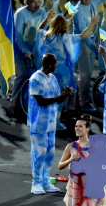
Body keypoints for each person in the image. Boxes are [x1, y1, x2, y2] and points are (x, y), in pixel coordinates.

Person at [36, 13, 100, 130]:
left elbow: (39, 30)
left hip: (49, 72)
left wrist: (46, 19)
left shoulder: (47, 36)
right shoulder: (65, 38)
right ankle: (55, 122)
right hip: (62, 73)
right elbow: (82, 36)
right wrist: (92, 23)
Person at [28, 53, 74, 195]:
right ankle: (36, 183)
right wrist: (59, 96)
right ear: (48, 64)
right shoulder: (35, 79)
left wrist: (64, 95)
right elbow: (41, 101)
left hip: (50, 124)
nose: (56, 66)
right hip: (38, 124)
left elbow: (56, 100)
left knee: (49, 153)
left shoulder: (52, 78)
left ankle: (45, 181)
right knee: (39, 153)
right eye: (54, 63)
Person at [11, 0, 47, 114]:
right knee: (21, 76)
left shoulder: (42, 12)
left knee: (32, 78)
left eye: (38, 2)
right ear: (27, 2)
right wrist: (25, 51)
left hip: (35, 52)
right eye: (33, 2)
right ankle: (13, 104)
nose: (37, 5)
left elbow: (45, 31)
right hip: (19, 51)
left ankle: (25, 105)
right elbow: (18, 36)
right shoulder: (20, 14)